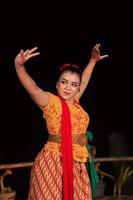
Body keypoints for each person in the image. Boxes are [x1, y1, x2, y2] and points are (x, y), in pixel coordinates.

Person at [14, 43, 109, 200]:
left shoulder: (76, 102)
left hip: (77, 164)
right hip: (54, 162)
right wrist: (19, 66)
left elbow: (84, 80)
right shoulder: (52, 103)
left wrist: (92, 61)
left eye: (73, 85)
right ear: (57, 84)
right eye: (64, 82)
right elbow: (33, 88)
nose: (68, 88)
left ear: (78, 88)